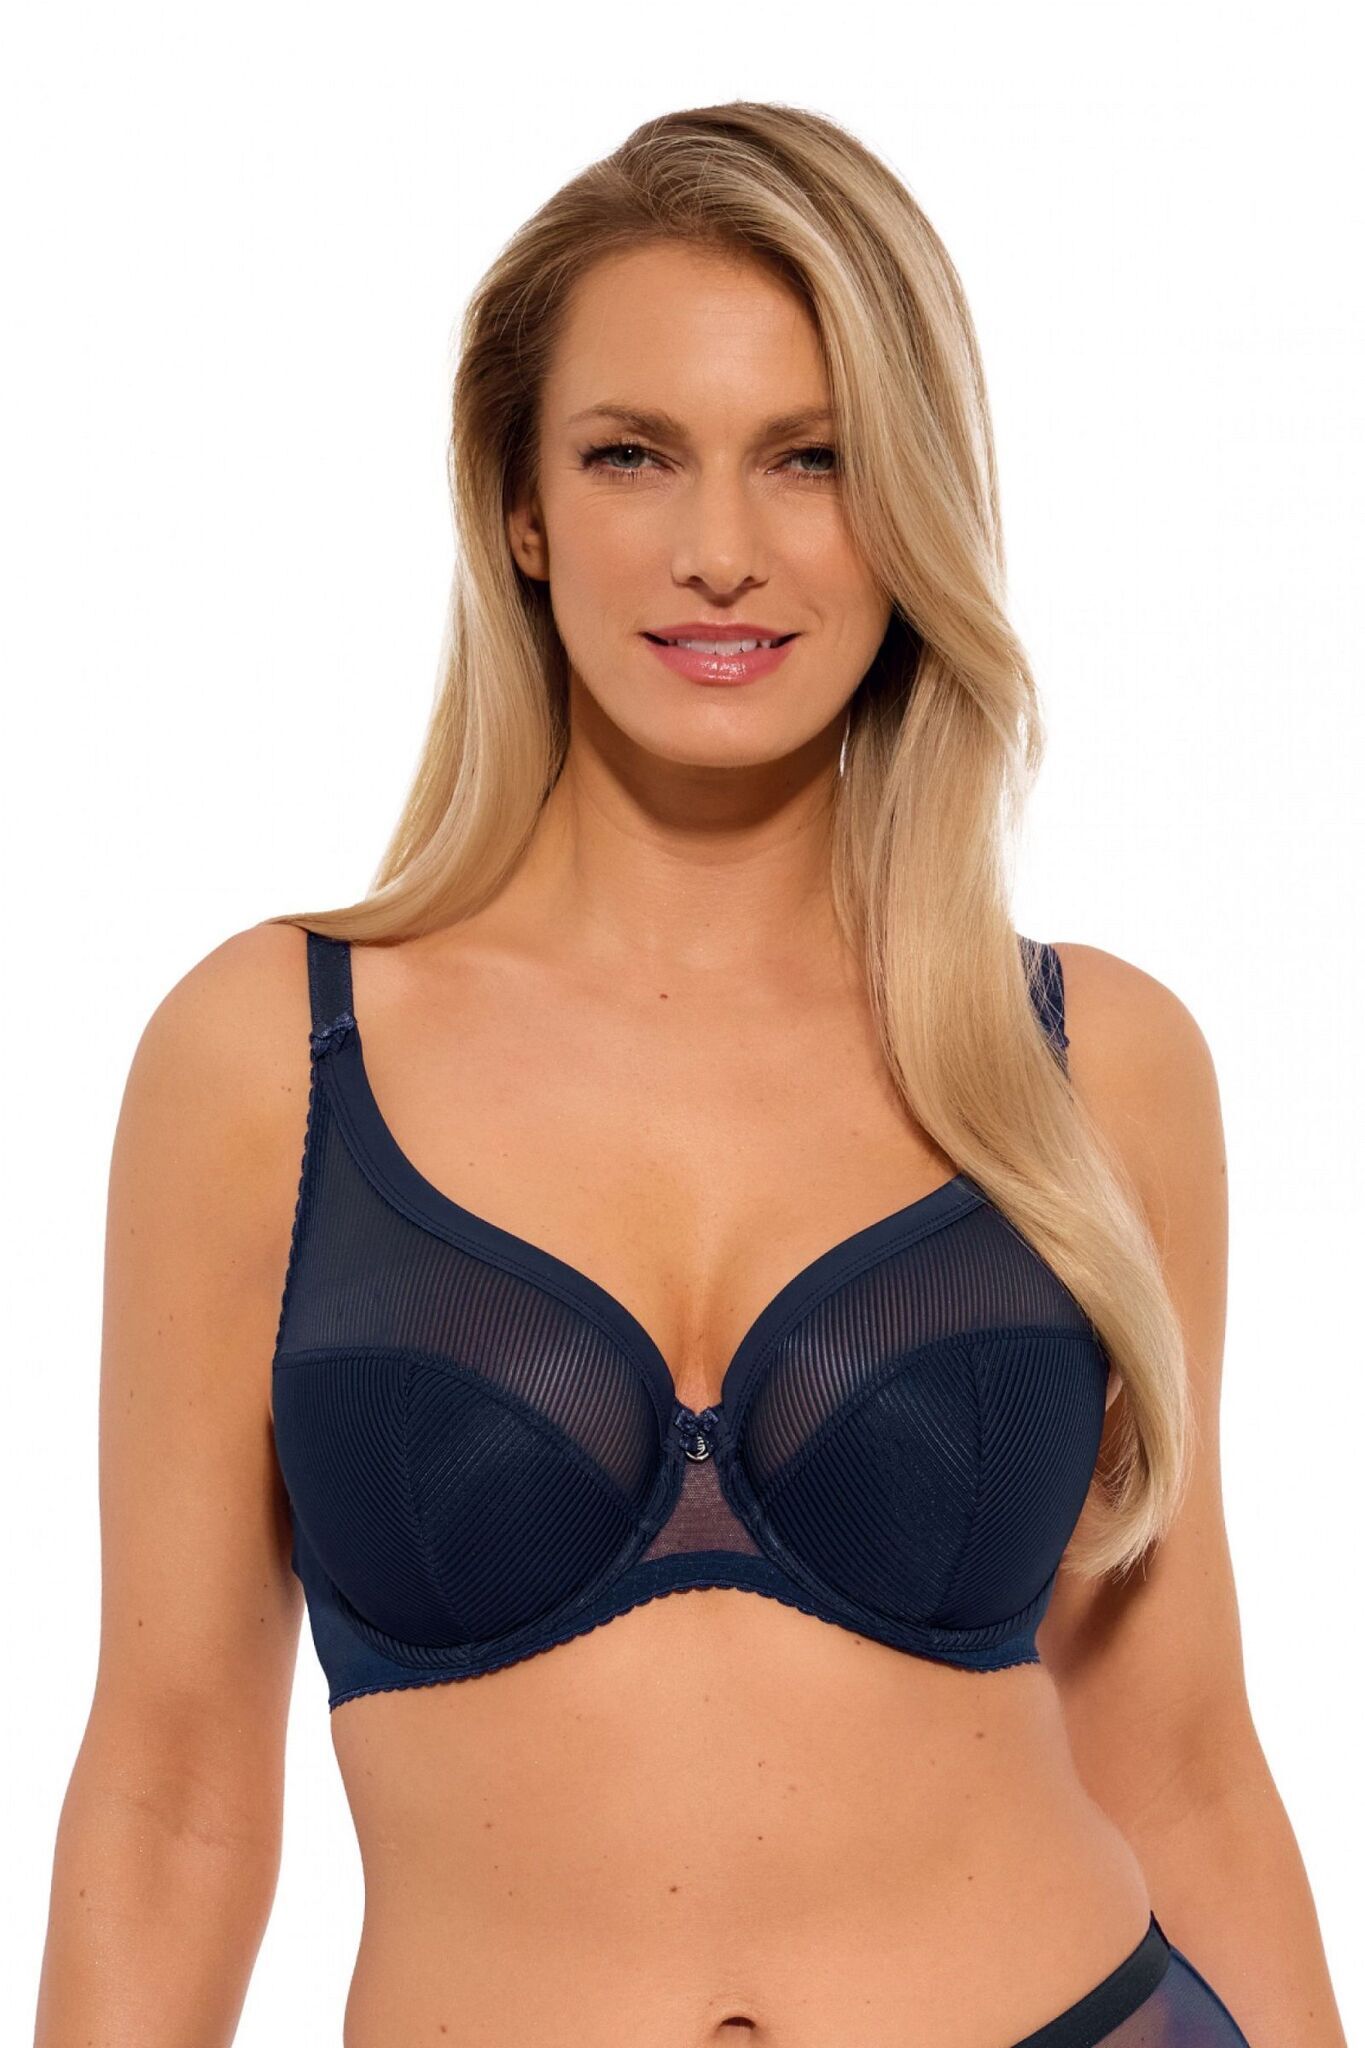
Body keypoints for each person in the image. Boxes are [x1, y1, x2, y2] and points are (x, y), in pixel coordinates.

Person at [34, 101, 1345, 2048]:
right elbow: (170, 1796)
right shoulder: (272, 1059)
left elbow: (1181, 1755)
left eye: (811, 459)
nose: (720, 553)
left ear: (908, 506)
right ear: (520, 506)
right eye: (631, 454)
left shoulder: (1087, 1066)